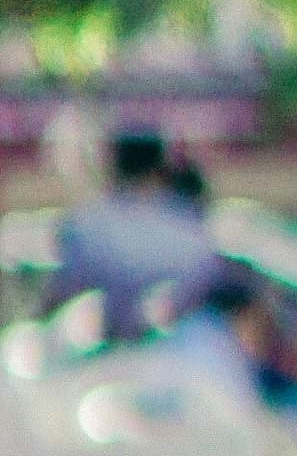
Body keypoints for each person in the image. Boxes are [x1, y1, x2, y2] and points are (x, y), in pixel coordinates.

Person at [52, 125, 223, 333]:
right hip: (180, 348)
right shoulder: (191, 225)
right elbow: (207, 283)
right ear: (161, 161)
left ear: (114, 160)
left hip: (105, 348)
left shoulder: (84, 226)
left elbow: (67, 291)